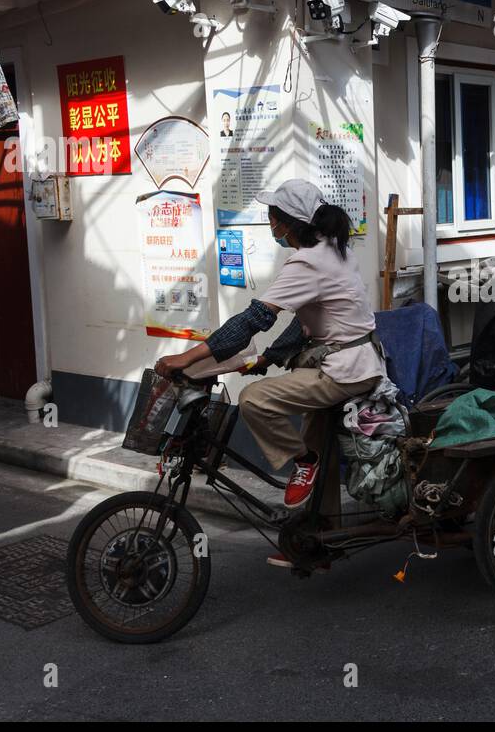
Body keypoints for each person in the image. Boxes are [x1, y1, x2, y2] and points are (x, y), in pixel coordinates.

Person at [156, 180, 385, 526]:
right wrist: (270, 357)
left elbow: (254, 319)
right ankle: (318, 536)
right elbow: (309, 319)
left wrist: (187, 358)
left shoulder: (308, 263)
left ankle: (304, 463)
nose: (269, 223)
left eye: (271, 216)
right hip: (354, 362)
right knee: (317, 444)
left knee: (253, 400)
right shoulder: (333, 251)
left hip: (345, 371)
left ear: (286, 223)